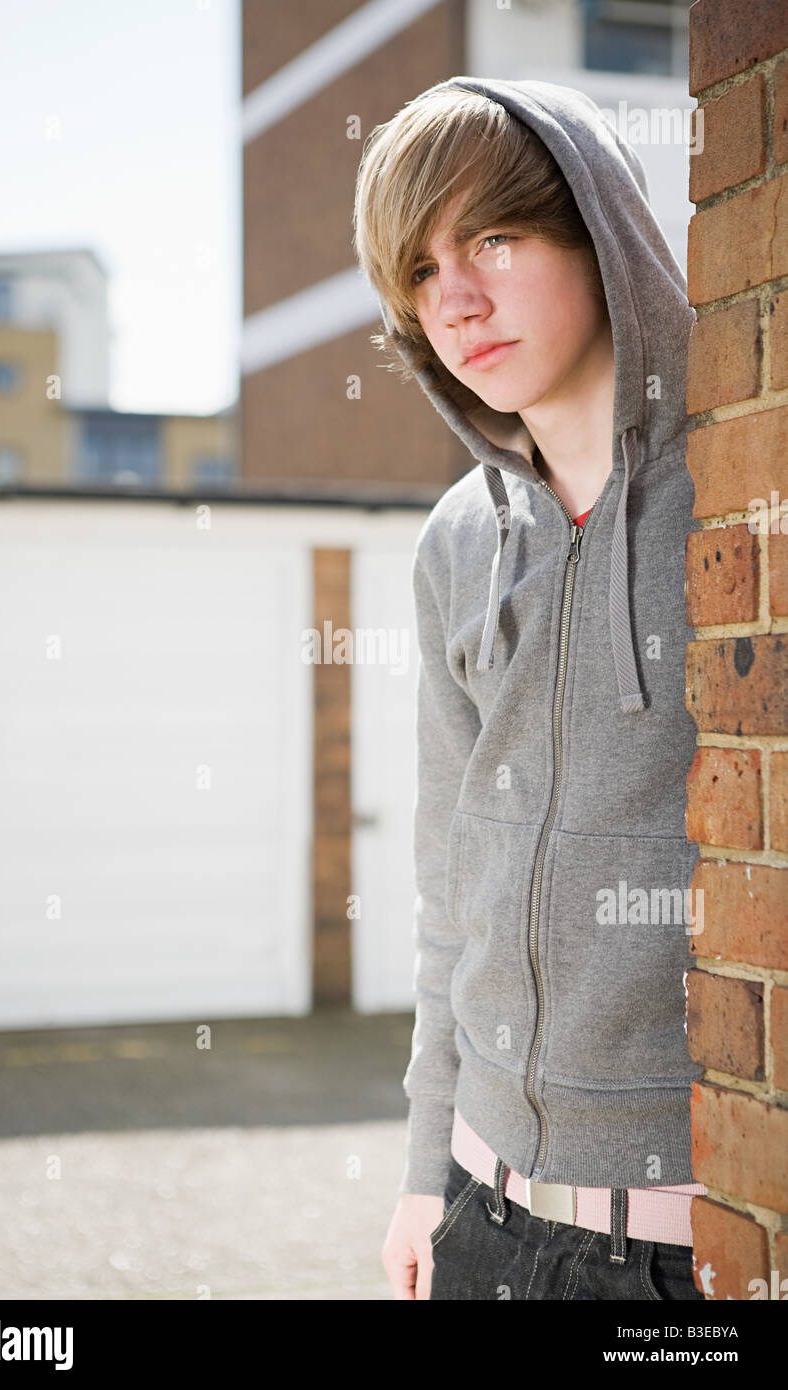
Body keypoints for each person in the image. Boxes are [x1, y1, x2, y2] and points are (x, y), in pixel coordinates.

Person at [352, 77, 709, 1301]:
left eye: (491, 240)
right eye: (417, 269)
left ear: (597, 232)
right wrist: (418, 1176)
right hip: (480, 1221)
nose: (452, 300)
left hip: (690, 1244)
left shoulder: (738, 499)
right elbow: (450, 890)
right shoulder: (456, 542)